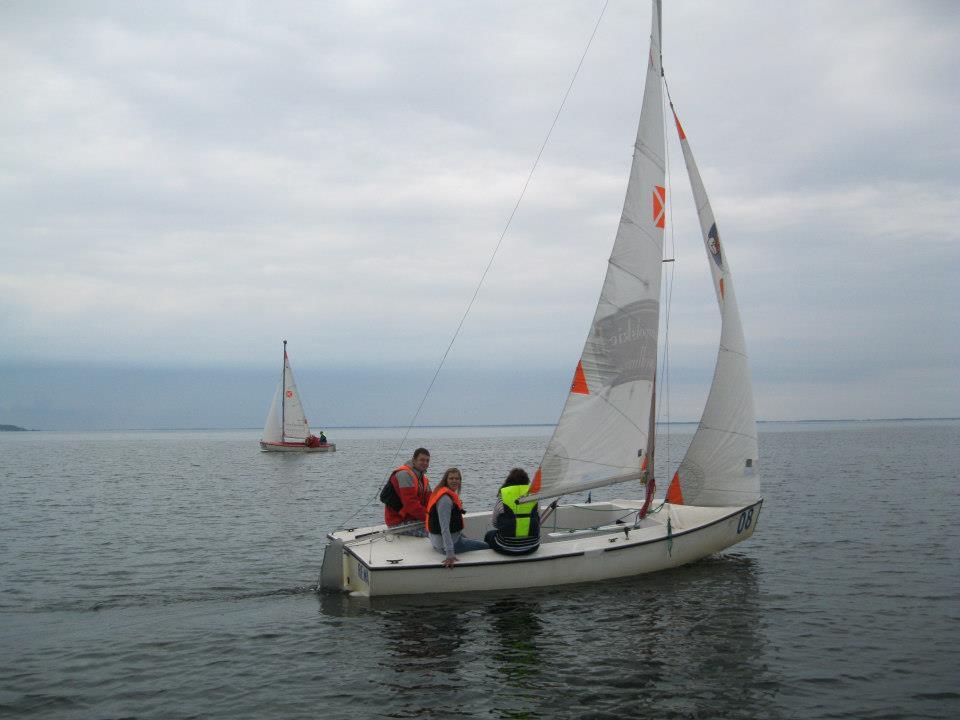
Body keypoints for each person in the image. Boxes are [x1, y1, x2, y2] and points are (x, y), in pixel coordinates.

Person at [426, 468, 489, 568]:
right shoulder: (445, 500)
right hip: (445, 546)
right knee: (487, 546)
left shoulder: (444, 493)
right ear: (446, 480)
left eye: (457, 478)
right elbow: (444, 528)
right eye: (451, 478)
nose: (454, 481)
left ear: (460, 481)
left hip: (438, 542)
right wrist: (450, 553)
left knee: (469, 539)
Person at [485, 468, 540, 556]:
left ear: (508, 481)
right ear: (526, 481)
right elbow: (538, 520)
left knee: (489, 535)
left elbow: (494, 523)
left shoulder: (503, 497)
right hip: (532, 546)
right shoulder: (533, 497)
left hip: (506, 546)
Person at [381, 448, 432, 533]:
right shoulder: (404, 475)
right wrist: (431, 518)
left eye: (427, 461)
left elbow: (430, 500)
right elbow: (411, 504)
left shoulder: (423, 478)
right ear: (414, 460)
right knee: (437, 533)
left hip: (414, 519)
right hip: (398, 523)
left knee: (447, 528)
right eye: (422, 460)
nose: (425, 463)